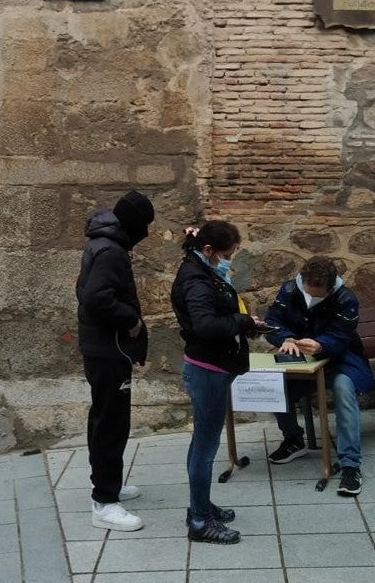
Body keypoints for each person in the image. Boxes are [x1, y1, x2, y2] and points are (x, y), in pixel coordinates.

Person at [171, 220, 267, 545]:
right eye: (227, 254)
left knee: (201, 441)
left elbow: (217, 315)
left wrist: (245, 325)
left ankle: (200, 506)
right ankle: (199, 521)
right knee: (206, 446)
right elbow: (207, 326)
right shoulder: (196, 279)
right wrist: (241, 321)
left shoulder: (203, 271)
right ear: (208, 250)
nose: (230, 260)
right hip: (208, 369)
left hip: (212, 365)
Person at [76, 191, 154, 532]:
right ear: (134, 223)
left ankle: (109, 484)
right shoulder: (111, 251)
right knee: (110, 422)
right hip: (110, 350)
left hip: (104, 348)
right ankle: (105, 502)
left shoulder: (103, 243)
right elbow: (95, 298)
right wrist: (131, 320)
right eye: (145, 225)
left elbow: (86, 292)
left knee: (106, 418)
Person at [263, 256, 371, 496]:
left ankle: (351, 465)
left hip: (341, 361)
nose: (310, 298)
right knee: (276, 386)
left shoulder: (346, 299)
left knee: (344, 389)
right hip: (301, 360)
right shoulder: (290, 289)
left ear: (330, 289)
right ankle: (293, 439)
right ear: (302, 281)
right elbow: (272, 321)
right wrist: (285, 338)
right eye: (307, 291)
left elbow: (341, 337)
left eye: (318, 295)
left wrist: (320, 344)